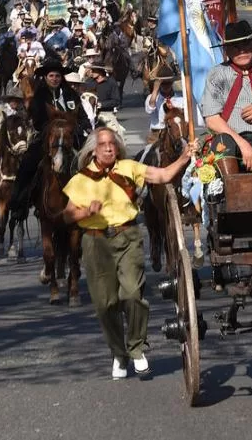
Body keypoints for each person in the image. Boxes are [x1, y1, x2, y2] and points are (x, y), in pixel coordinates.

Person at [62, 127, 198, 379]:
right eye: (103, 144)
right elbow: (68, 214)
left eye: (112, 143)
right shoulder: (80, 180)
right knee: (106, 304)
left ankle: (136, 348)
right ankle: (118, 353)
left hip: (128, 237)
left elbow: (163, 176)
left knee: (133, 294)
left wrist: (184, 158)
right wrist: (85, 213)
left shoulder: (129, 167)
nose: (108, 148)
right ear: (93, 149)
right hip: (95, 242)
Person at [8, 58, 93, 218]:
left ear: (62, 78)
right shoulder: (39, 96)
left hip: (72, 135)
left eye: (57, 76)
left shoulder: (71, 95)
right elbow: (37, 120)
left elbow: (82, 116)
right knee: (28, 161)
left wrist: (85, 127)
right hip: (48, 137)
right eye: (51, 76)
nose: (54, 79)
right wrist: (52, 128)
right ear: (46, 78)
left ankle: (98, 198)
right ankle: (19, 201)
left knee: (93, 158)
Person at [201, 21, 252, 175]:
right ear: (226, 50)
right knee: (222, 141)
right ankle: (230, 193)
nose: (241, 51)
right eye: (235, 47)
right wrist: (243, 144)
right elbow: (212, 119)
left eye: (246, 44)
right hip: (233, 137)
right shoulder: (217, 75)